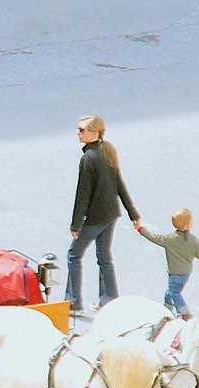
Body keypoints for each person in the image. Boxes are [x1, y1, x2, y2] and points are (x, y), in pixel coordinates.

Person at [68, 114, 140, 312]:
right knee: (104, 258)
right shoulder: (108, 152)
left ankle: (73, 301)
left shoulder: (88, 159)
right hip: (111, 215)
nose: (77, 133)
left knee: (74, 255)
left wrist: (76, 224)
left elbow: (82, 195)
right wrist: (133, 214)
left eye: (81, 130)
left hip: (95, 219)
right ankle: (109, 300)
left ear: (94, 132)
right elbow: (119, 185)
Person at [136, 208, 199, 317]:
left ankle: (185, 313)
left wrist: (140, 229)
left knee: (174, 292)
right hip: (186, 273)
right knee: (170, 291)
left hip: (174, 273)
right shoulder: (193, 239)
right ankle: (166, 308)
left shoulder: (169, 239)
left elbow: (153, 237)